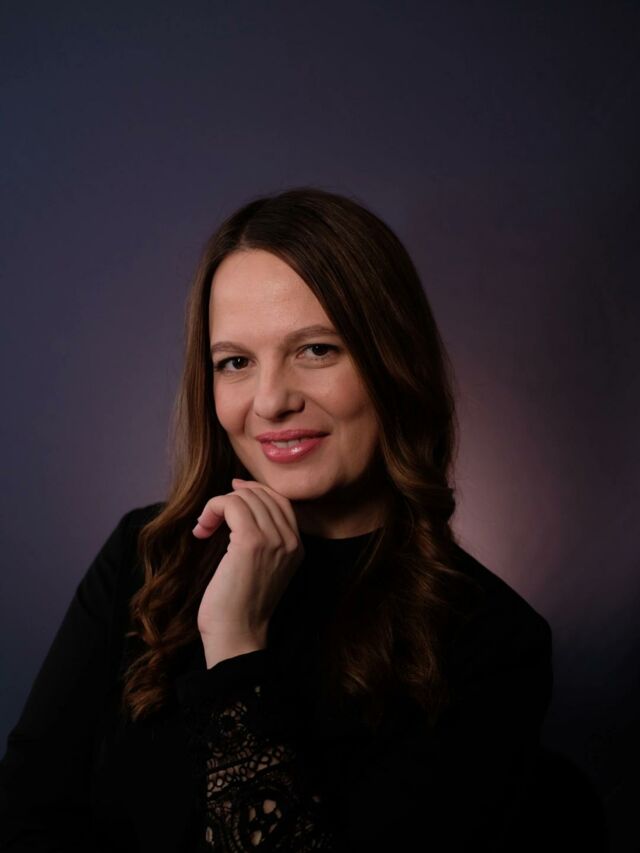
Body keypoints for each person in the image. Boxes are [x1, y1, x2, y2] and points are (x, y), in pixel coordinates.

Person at [0, 187, 553, 852]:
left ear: (393, 358)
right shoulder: (143, 553)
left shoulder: (494, 640)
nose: (269, 401)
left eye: (315, 349)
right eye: (235, 362)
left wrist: (235, 644)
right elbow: (26, 817)